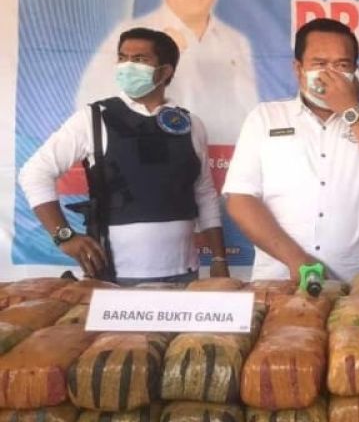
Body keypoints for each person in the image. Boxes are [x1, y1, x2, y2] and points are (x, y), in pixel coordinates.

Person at [18, 28, 228, 284]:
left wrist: (219, 258)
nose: (128, 66)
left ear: (165, 71)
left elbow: (204, 193)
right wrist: (64, 236)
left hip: (184, 274)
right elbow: (34, 173)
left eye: (139, 59)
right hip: (114, 278)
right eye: (122, 57)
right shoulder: (93, 118)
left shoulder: (191, 124)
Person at [223, 18, 359, 282]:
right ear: (298, 68)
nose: (330, 74)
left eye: (342, 65)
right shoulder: (266, 117)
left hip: (356, 285)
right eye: (320, 64)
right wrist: (296, 259)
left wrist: (349, 109)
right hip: (280, 280)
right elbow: (241, 199)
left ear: (354, 71)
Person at [76, 0, 257, 144]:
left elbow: (249, 113)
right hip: (149, 151)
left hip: (220, 155)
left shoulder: (235, 42)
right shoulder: (130, 38)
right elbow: (91, 104)